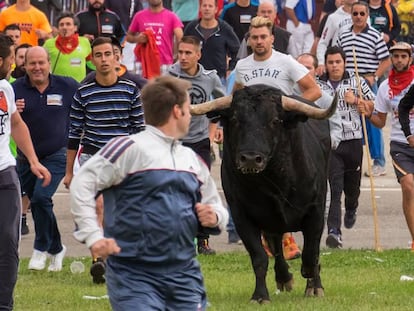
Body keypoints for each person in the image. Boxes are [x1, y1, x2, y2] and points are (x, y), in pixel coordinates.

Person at [70, 75, 228, 310]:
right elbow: (81, 183)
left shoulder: (191, 159)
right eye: (188, 109)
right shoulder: (128, 148)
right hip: (134, 274)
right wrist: (93, 236)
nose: (190, 116)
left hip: (184, 273)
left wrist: (215, 217)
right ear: (177, 111)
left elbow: (216, 207)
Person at [64, 36, 145, 283]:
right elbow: (74, 133)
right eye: (98, 55)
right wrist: (69, 172)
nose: (103, 60)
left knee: (120, 213)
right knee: (98, 207)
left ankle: (120, 261)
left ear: (116, 57)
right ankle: (98, 261)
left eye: (107, 54)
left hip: (123, 157)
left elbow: (139, 131)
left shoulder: (131, 90)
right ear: (92, 60)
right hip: (92, 155)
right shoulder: (83, 92)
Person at [13, 46, 79, 272]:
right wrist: (15, 111)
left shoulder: (67, 85)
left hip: (56, 154)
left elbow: (84, 108)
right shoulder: (15, 89)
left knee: (41, 199)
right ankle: (57, 247)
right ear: (25, 65)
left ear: (49, 63)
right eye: (32, 63)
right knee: (41, 205)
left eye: (41, 62)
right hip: (26, 159)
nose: (37, 67)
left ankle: (40, 248)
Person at [0, 33, 50, 311]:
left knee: (8, 240)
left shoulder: (5, 88)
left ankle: (4, 305)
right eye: (11, 58)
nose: (14, 64)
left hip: (5, 171)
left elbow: (16, 124)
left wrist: (32, 160)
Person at [167, 35, 226, 255]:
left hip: (200, 142)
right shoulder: (169, 75)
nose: (182, 57)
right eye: (180, 52)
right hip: (175, 141)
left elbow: (222, 103)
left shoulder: (210, 78)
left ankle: (203, 240)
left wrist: (217, 128)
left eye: (188, 53)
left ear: (198, 55)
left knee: (200, 190)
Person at [317, 46, 375, 248]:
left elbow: (374, 105)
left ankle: (352, 207)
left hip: (353, 142)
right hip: (332, 143)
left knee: (352, 188)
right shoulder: (319, 85)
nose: (334, 66)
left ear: (344, 63)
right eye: (331, 62)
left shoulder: (356, 81)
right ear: (326, 64)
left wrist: (357, 101)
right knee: (334, 188)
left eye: (338, 62)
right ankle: (334, 231)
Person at [365, 41, 414, 251]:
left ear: (410, 58)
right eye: (396, 56)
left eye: (403, 56)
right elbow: (380, 121)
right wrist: (368, 113)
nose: (399, 60)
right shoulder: (385, 88)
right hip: (400, 144)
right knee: (408, 186)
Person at [337, 1, 391, 177]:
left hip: (367, 82)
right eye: (355, 14)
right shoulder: (343, 34)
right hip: (348, 83)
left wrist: (374, 77)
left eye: (362, 14)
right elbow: (338, 57)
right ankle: (350, 160)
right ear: (351, 15)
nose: (358, 17)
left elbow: (385, 60)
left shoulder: (375, 35)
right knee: (349, 120)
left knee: (372, 120)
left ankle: (379, 162)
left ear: (367, 16)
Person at [233, 16, 321, 102]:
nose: (259, 41)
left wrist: (291, 110)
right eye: (255, 37)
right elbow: (235, 98)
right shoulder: (241, 65)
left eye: (263, 37)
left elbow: (315, 91)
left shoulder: (287, 61)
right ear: (249, 40)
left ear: (272, 39)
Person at [184, 0, 240, 84]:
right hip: (194, 78)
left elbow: (236, 50)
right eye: (204, 6)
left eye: (210, 6)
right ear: (200, 8)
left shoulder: (224, 28)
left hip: (218, 79)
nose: (207, 9)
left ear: (216, 9)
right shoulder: (191, 28)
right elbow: (183, 48)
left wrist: (230, 69)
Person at [127, 0, 183, 77]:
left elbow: (180, 37)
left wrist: (176, 56)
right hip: (143, 62)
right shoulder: (139, 16)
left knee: (164, 88)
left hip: (164, 62)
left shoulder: (172, 16)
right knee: (142, 88)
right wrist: (137, 39)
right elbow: (128, 36)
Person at [43, 12, 91, 82]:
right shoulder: (49, 43)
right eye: (61, 25)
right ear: (58, 28)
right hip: (57, 86)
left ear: (75, 28)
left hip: (79, 86)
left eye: (68, 24)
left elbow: (91, 63)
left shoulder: (85, 42)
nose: (64, 27)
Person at [316, 0, 356, 76]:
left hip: (361, 66)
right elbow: (323, 43)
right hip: (339, 66)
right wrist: (321, 62)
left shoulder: (364, 15)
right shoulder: (333, 17)